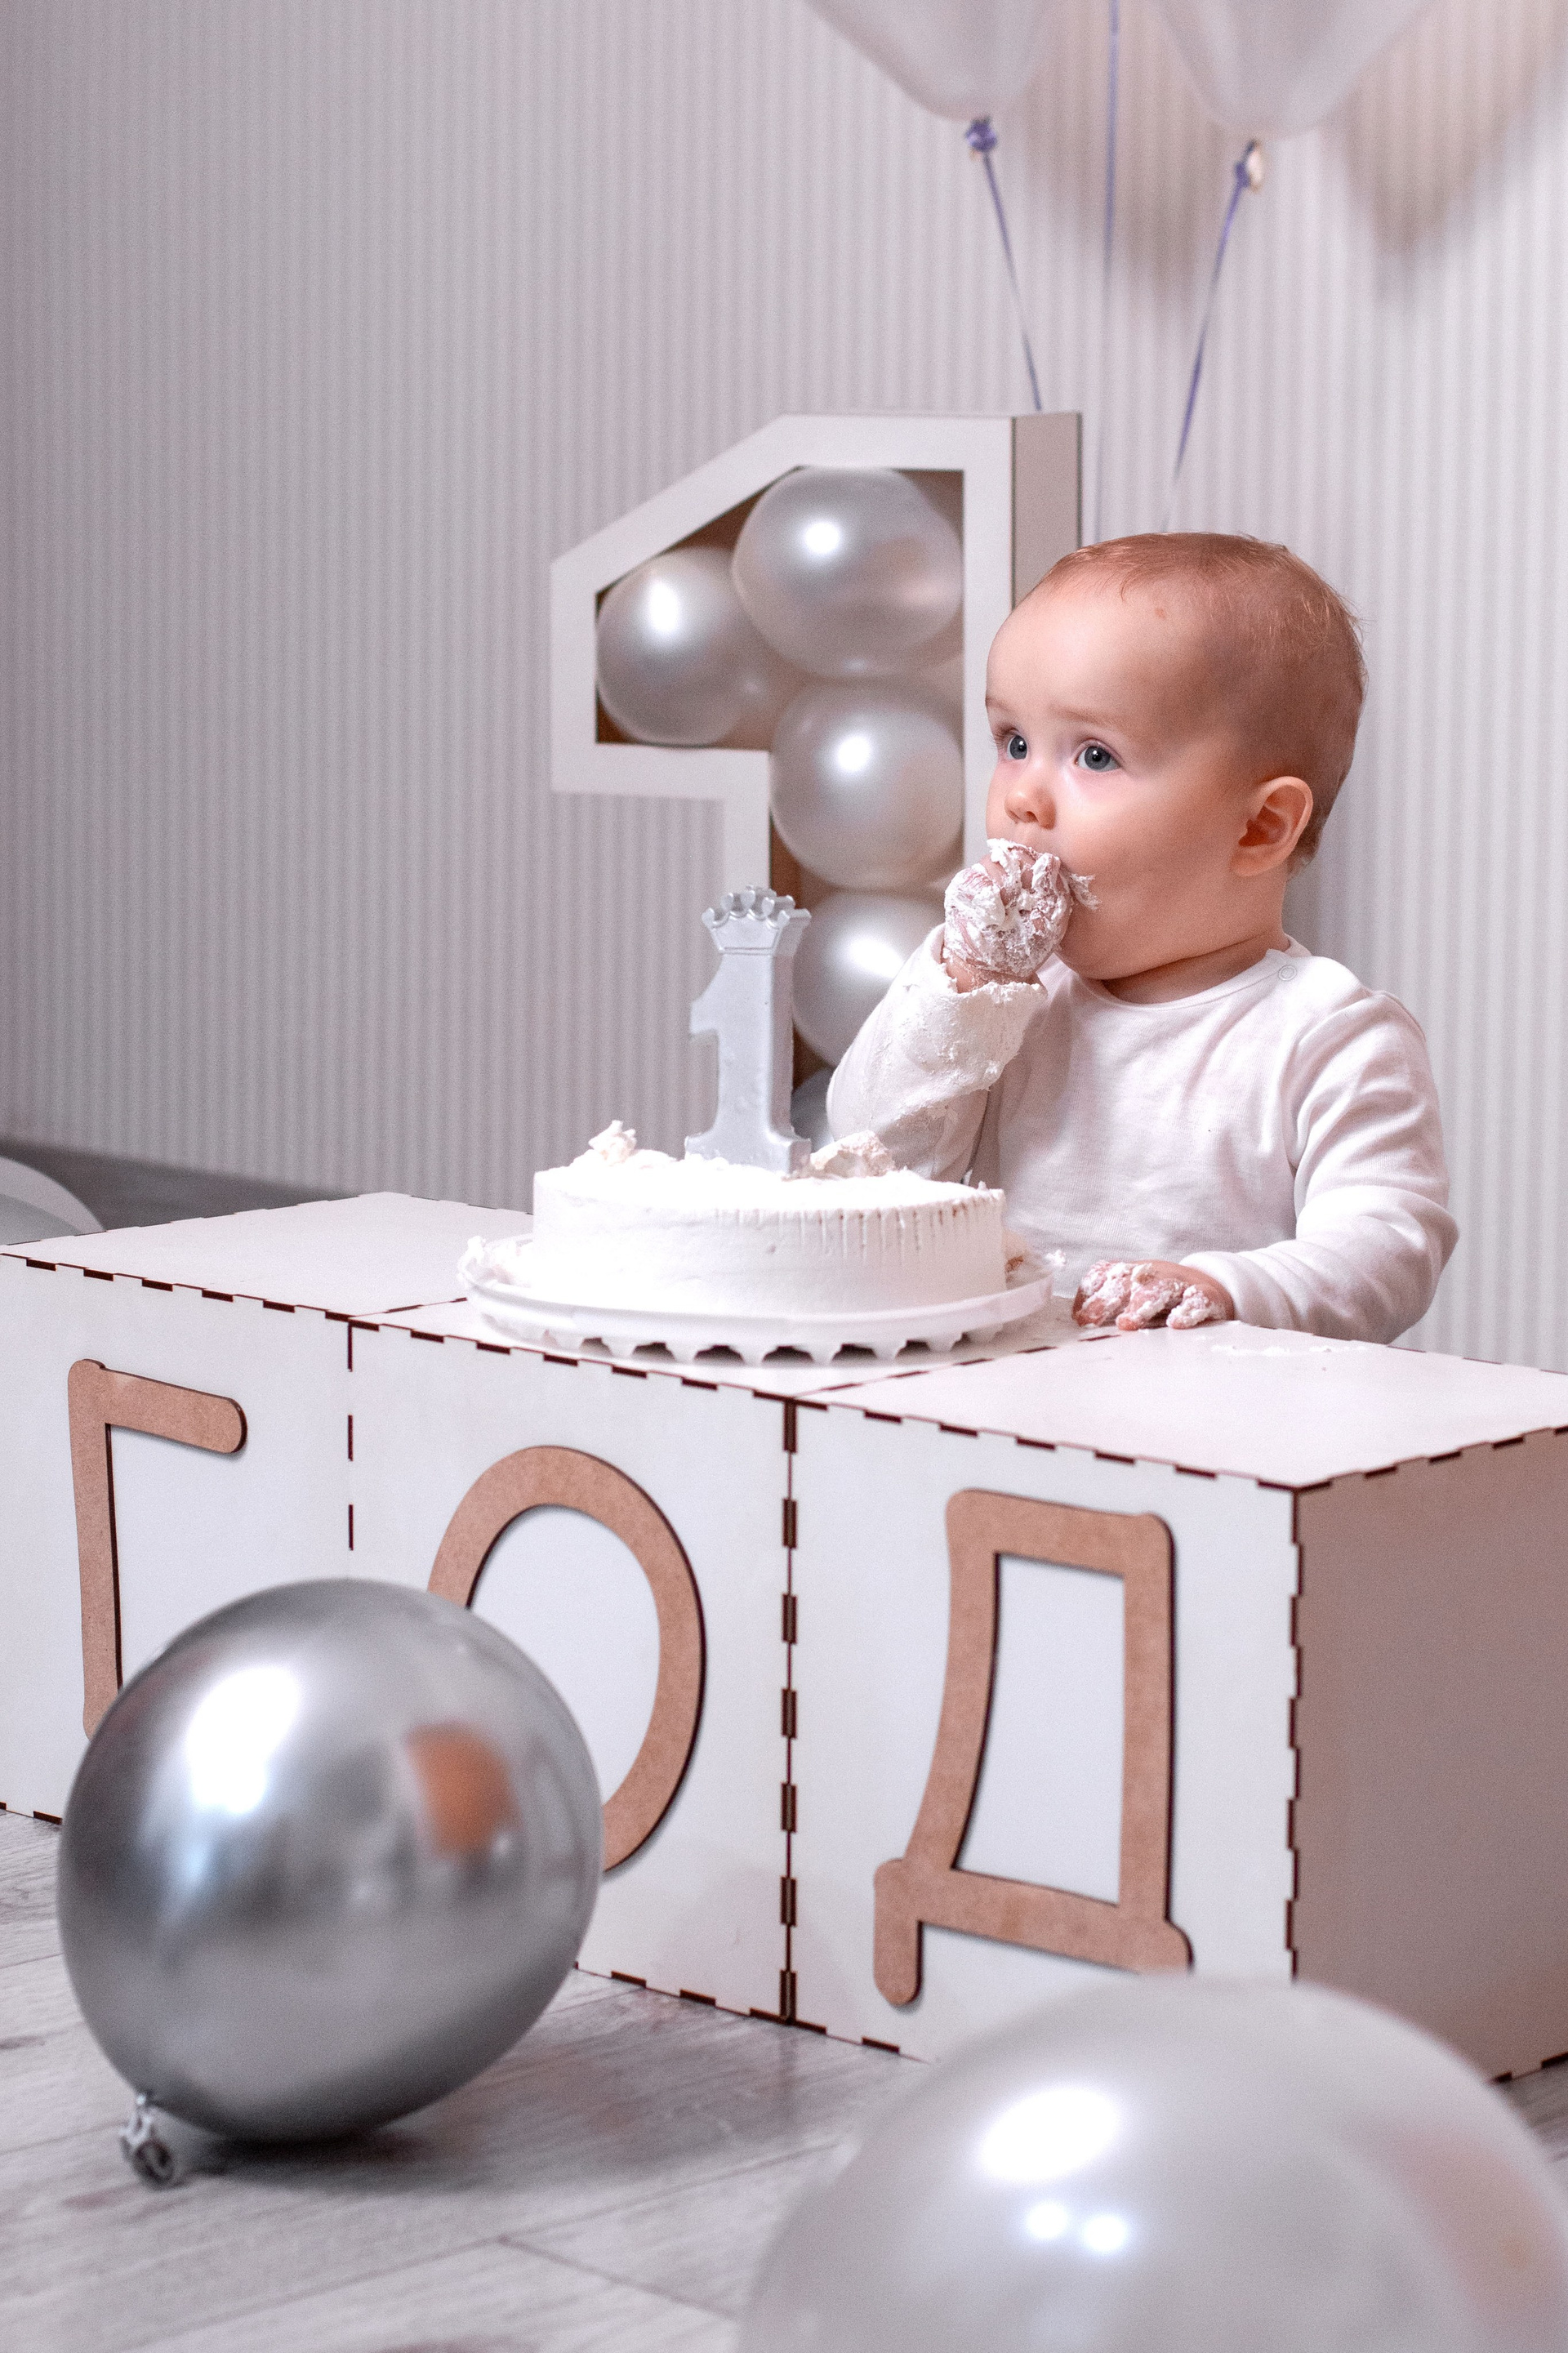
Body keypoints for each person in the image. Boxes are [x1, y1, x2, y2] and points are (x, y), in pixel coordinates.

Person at [826, 533, 1455, 1344]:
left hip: (1214, 1408)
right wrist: (965, 985)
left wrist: (1226, 1287)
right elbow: (872, 1164)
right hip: (999, 1393)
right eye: (1014, 742)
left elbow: (1385, 1249)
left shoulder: (1328, 1037)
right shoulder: (1006, 1007)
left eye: (1094, 755)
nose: (1023, 798)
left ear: (1260, 826)